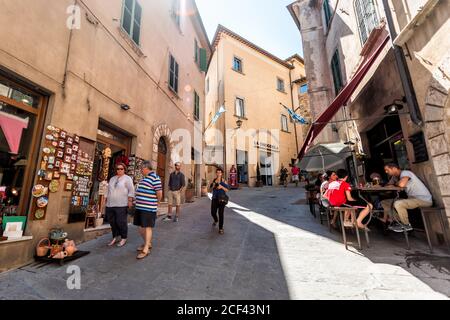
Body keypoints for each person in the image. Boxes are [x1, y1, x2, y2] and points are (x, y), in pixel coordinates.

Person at [381, 163, 432, 232]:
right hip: (412, 199)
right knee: (384, 202)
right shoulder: (394, 177)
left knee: (398, 203)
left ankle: (406, 225)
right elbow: (388, 190)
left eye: (387, 170)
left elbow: (401, 184)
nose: (386, 172)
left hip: (423, 200)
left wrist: (394, 184)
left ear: (394, 168)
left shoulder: (405, 173)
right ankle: (398, 221)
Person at [134, 161, 163, 259]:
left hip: (148, 208)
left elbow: (159, 193)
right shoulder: (145, 178)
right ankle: (148, 243)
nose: (141, 170)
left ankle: (146, 248)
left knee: (147, 227)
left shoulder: (155, 178)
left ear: (146, 168)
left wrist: (157, 203)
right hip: (139, 207)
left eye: (142, 168)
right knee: (140, 228)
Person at [105, 163, 135, 248]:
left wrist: (130, 200)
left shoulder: (127, 178)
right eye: (118, 169)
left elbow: (131, 190)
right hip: (110, 204)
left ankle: (123, 237)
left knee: (121, 221)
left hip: (121, 204)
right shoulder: (112, 179)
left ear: (124, 169)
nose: (119, 170)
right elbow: (108, 190)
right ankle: (115, 236)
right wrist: (105, 200)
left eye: (121, 169)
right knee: (112, 222)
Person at [210, 167, 229, 235]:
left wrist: (221, 187)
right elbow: (211, 189)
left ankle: (221, 228)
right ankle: (216, 220)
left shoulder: (224, 181)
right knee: (213, 212)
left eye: (220, 173)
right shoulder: (214, 180)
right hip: (214, 198)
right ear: (216, 173)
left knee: (221, 214)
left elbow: (227, 190)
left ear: (222, 174)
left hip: (221, 199)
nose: (218, 174)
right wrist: (213, 186)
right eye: (217, 172)